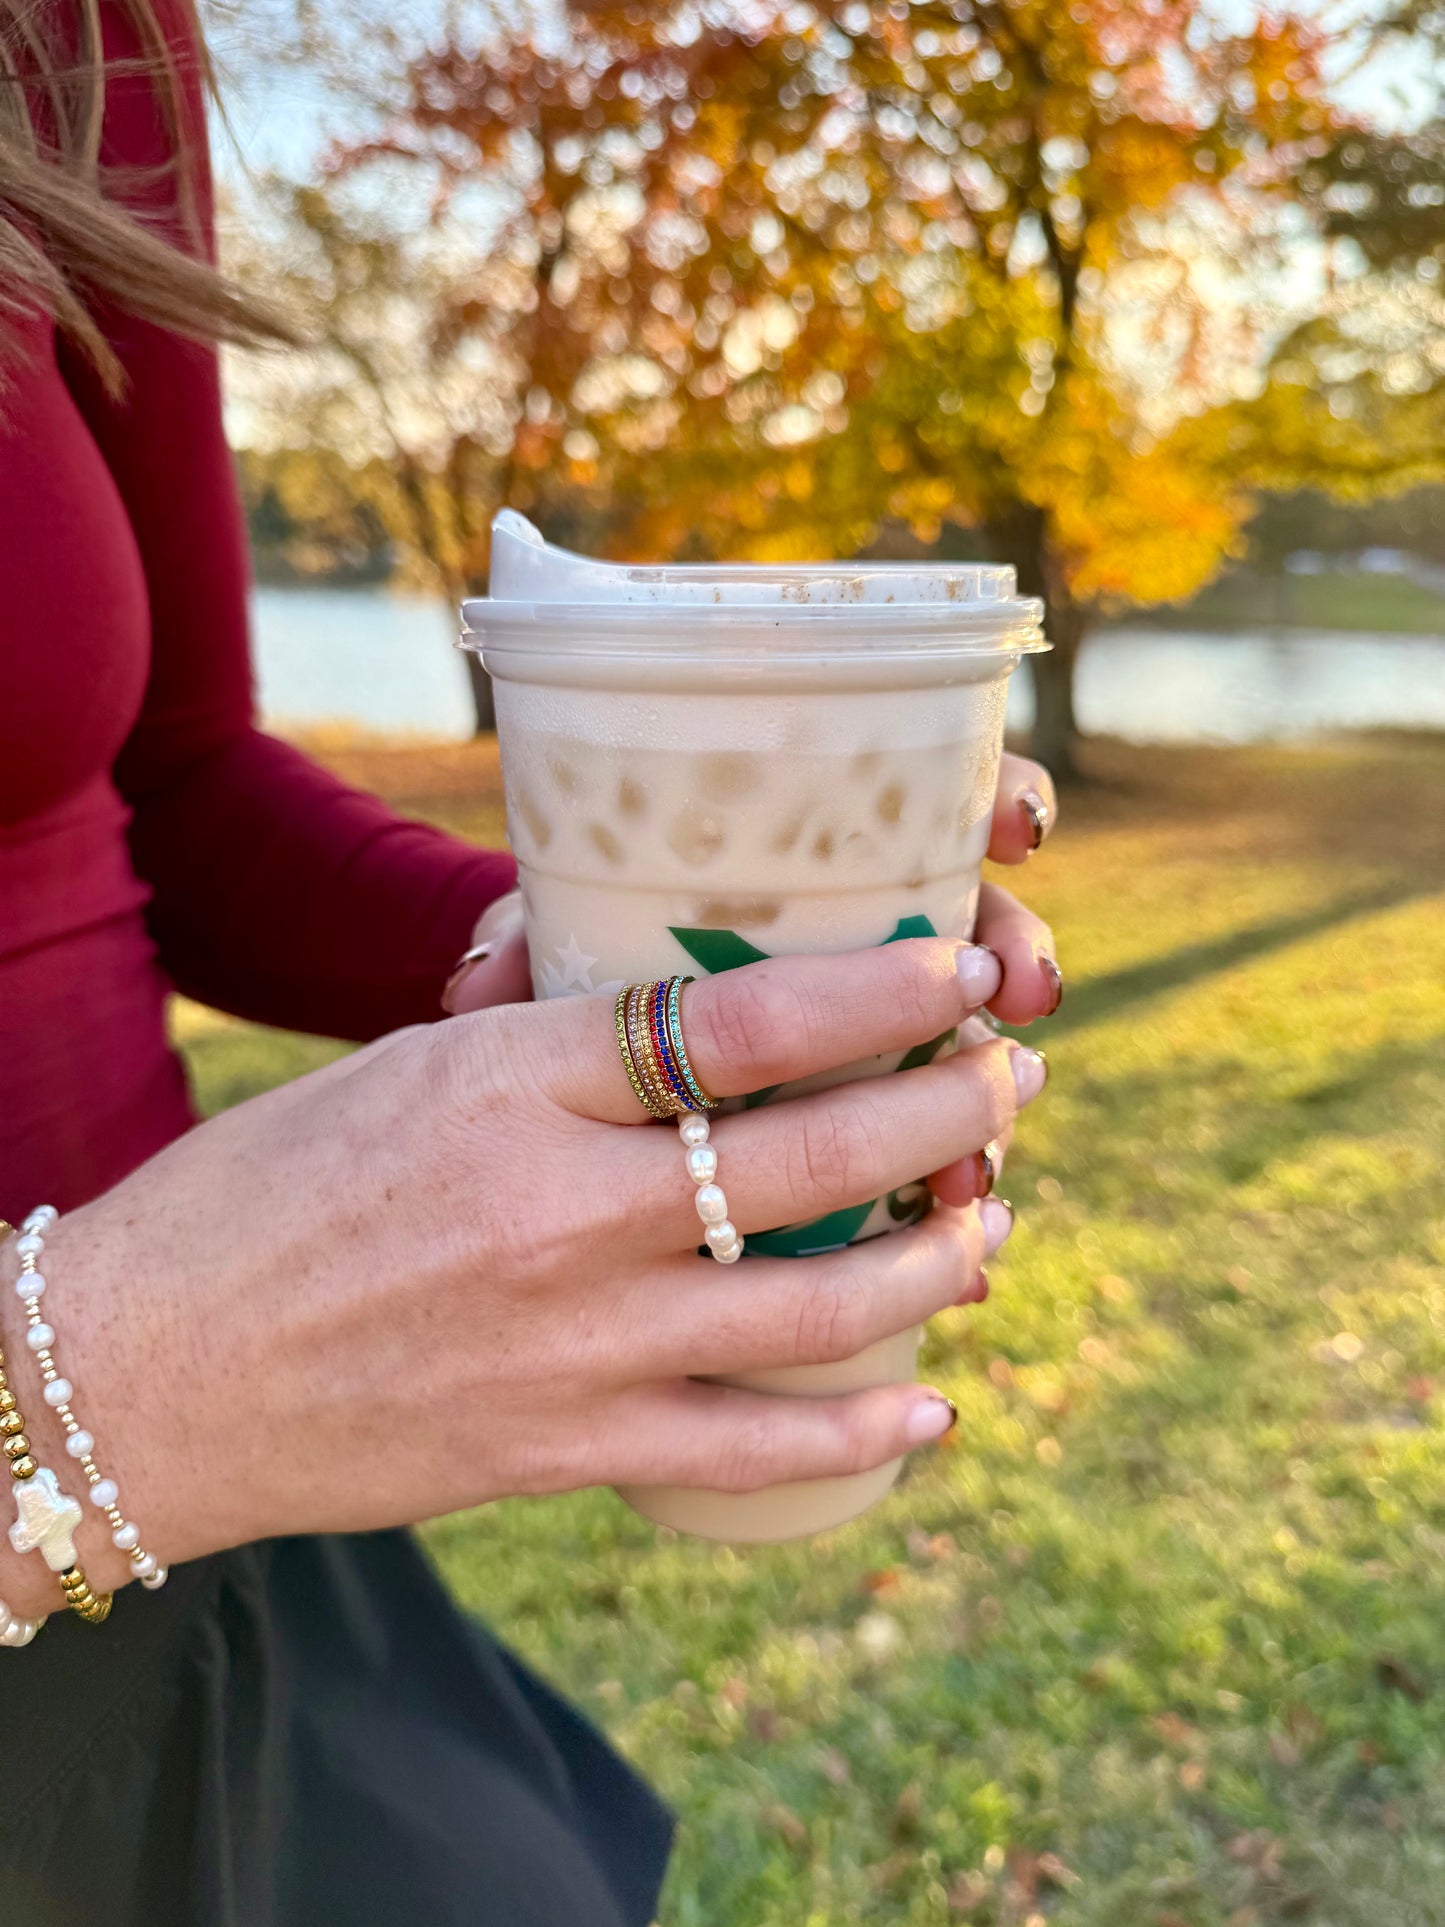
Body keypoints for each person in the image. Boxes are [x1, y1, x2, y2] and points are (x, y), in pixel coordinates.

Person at [0, 0, 1064, 1918]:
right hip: (161, 1410)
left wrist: (598, 961)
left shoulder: (70, 39)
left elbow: (171, 780)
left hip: (218, 1530)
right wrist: (90, 1383)